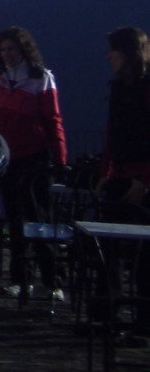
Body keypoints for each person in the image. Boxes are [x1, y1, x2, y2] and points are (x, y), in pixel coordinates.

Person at [0, 26, 68, 302]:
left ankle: (52, 279)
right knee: (16, 219)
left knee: (40, 217)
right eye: (3, 49)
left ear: (23, 50)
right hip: (7, 159)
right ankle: (21, 278)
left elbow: (53, 119)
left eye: (12, 49)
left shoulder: (41, 79)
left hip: (35, 158)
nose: (7, 54)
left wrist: (60, 158)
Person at [98, 25, 150, 334]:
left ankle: (144, 323)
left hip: (142, 180)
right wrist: (106, 172)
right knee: (108, 250)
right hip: (119, 176)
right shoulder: (118, 88)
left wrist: (144, 180)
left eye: (114, 50)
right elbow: (111, 136)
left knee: (145, 257)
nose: (109, 56)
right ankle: (110, 313)